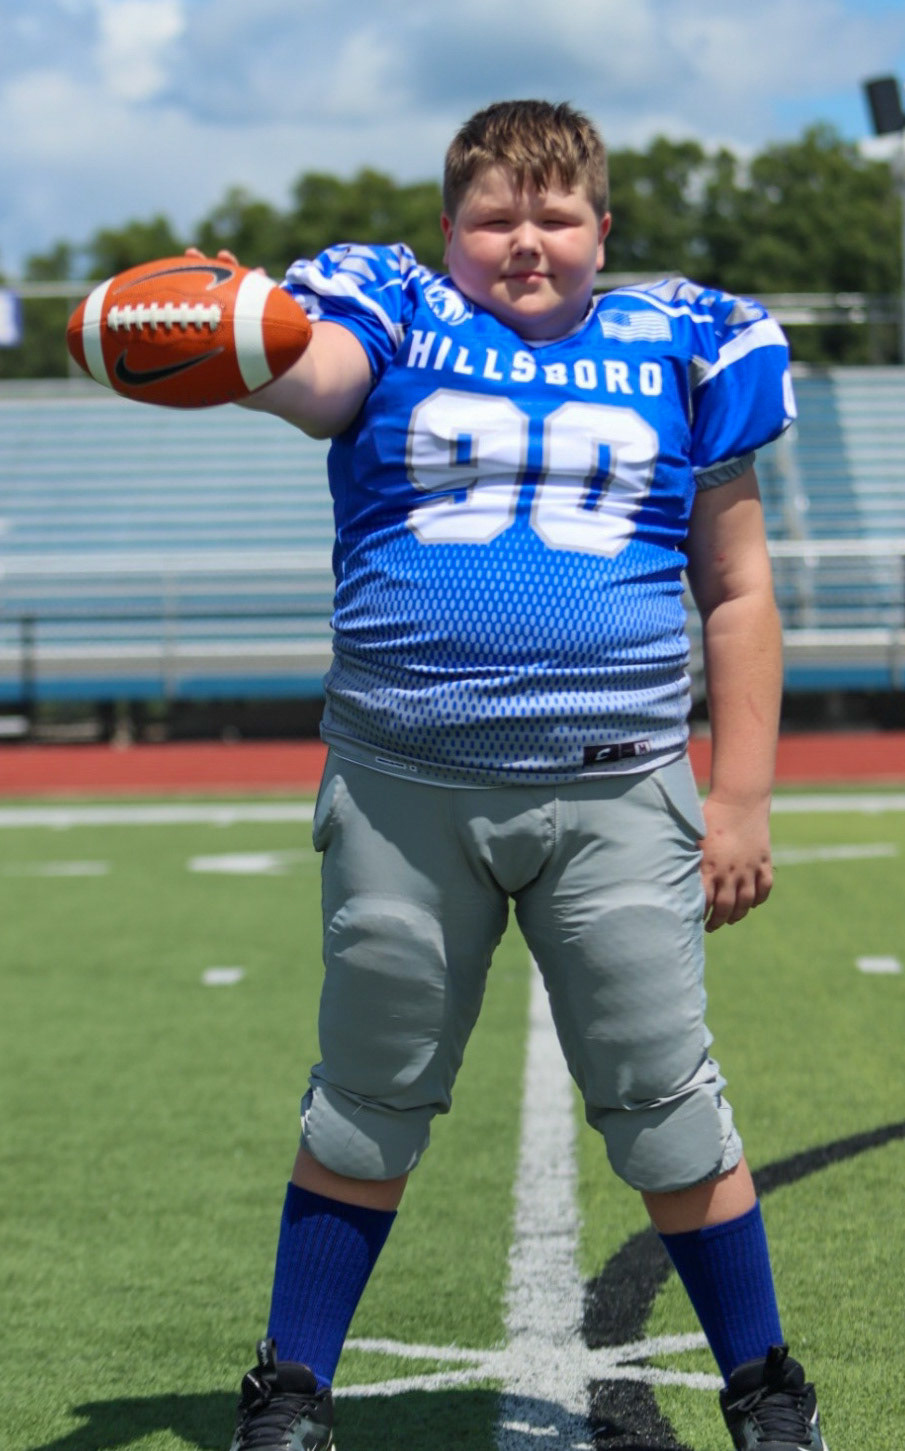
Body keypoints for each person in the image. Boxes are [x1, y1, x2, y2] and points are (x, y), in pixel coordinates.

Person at [220, 99, 827, 1451]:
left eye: (555, 216)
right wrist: (236, 340)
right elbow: (313, 379)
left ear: (603, 227)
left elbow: (736, 591)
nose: (526, 241)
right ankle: (291, 1389)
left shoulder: (684, 342)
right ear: (449, 231)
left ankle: (763, 1387)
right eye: (494, 218)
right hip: (405, 784)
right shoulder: (390, 311)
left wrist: (739, 796)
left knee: (667, 1105)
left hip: (617, 788)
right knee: (366, 1096)